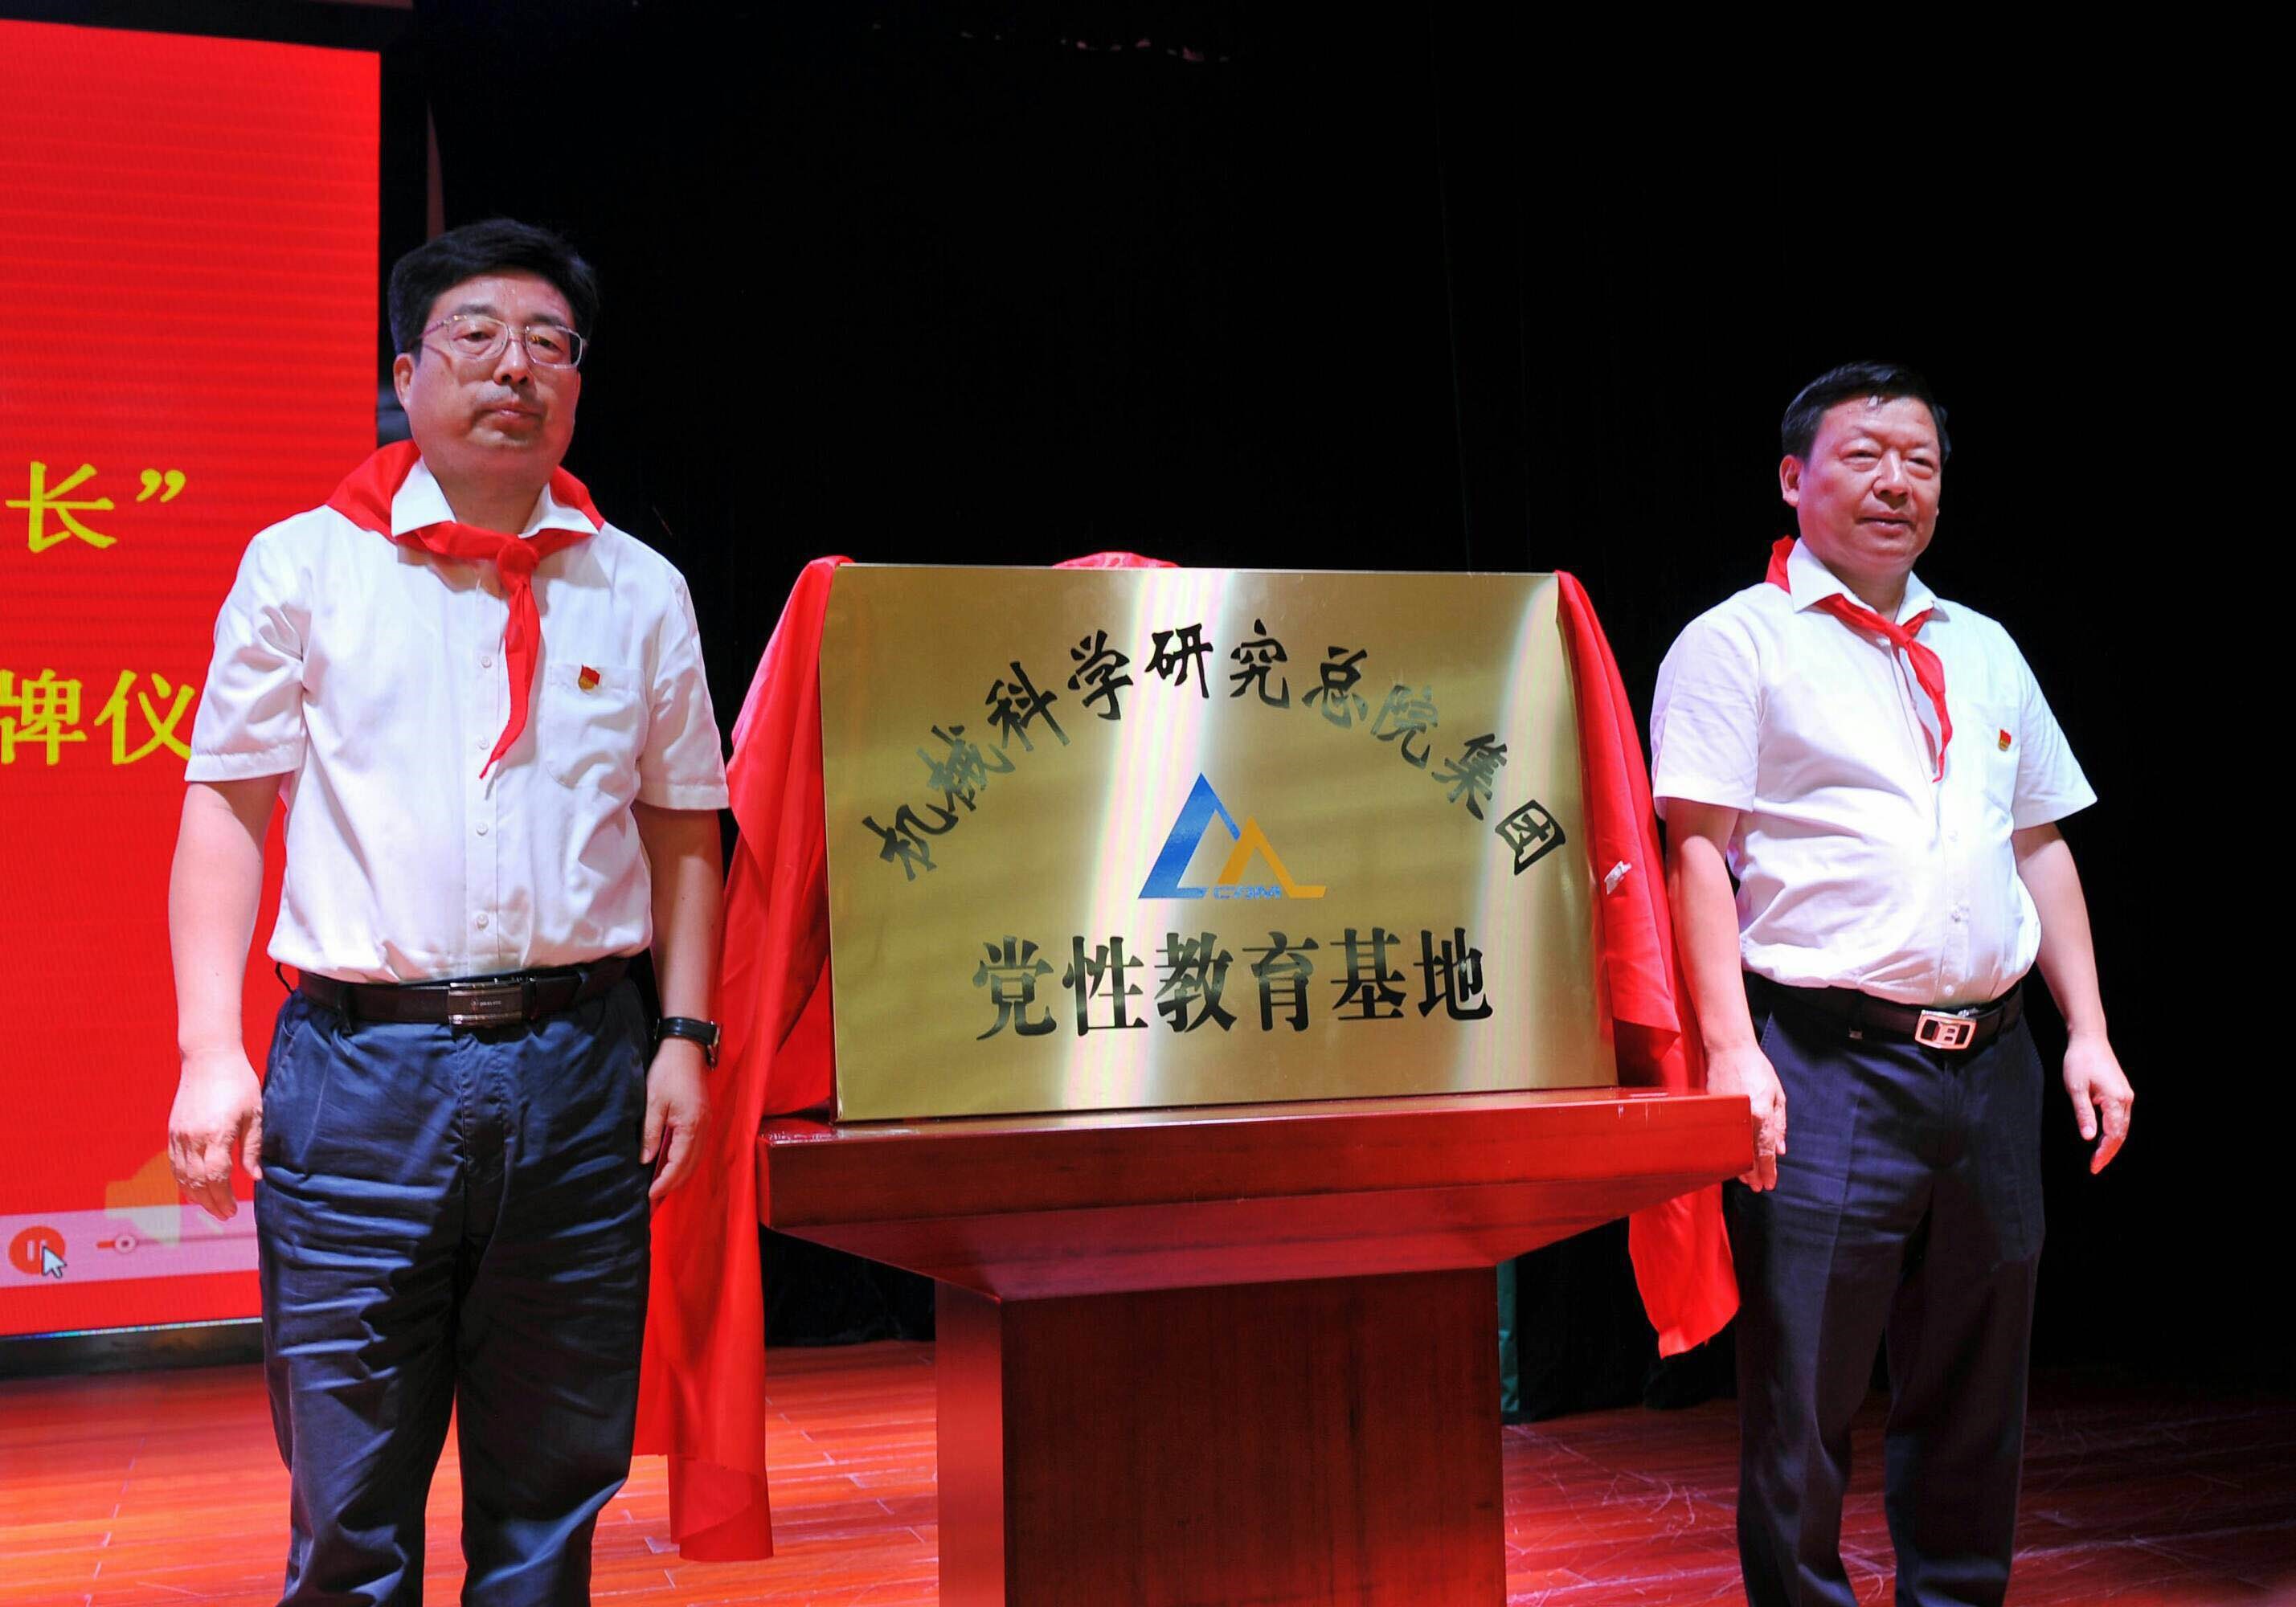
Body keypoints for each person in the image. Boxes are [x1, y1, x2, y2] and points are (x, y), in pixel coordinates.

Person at [165, 219, 729, 1605]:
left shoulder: (639, 587)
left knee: (551, 1493)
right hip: (363, 1070)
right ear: (406, 376)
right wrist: (209, 1050)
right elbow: (229, 806)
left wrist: (683, 1035)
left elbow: (682, 828)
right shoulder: (305, 565)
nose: (514, 368)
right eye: (475, 336)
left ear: (576, 384)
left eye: (548, 344)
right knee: (350, 1501)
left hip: (582, 1065)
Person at [1650, 362, 2133, 1606]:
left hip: (1992, 1059)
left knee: (1977, 1380)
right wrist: (1730, 1053)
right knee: (1804, 1384)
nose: (1894, 483)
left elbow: (2037, 843)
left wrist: (2087, 1032)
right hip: (1825, 1057)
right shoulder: (1736, 641)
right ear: (1792, 478)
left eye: (1918, 462)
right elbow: (1692, 851)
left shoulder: (1982, 646)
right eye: (1862, 456)